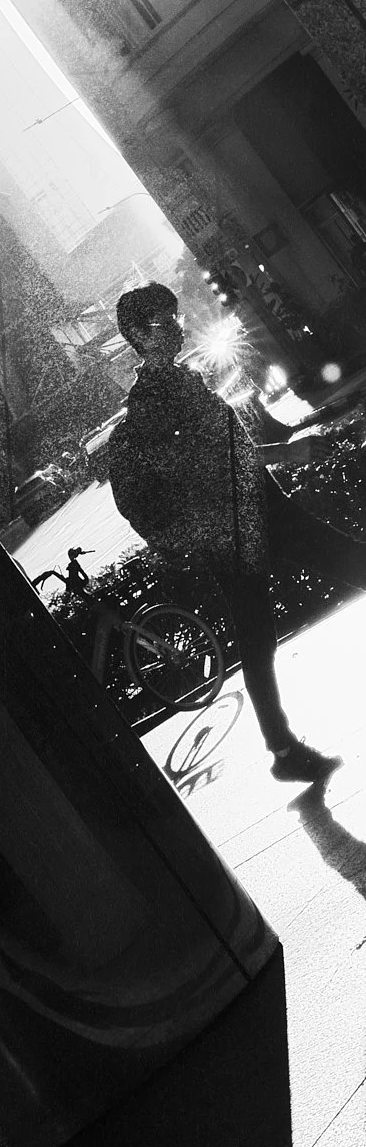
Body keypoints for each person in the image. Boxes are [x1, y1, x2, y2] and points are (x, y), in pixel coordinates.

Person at [106, 282, 366, 784]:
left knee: (264, 626)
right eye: (165, 321)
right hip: (238, 523)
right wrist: (286, 453)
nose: (178, 327)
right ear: (139, 334)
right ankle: (283, 749)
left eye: (176, 317)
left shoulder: (178, 382)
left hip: (248, 514)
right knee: (310, 590)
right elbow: (206, 465)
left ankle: (283, 749)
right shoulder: (158, 398)